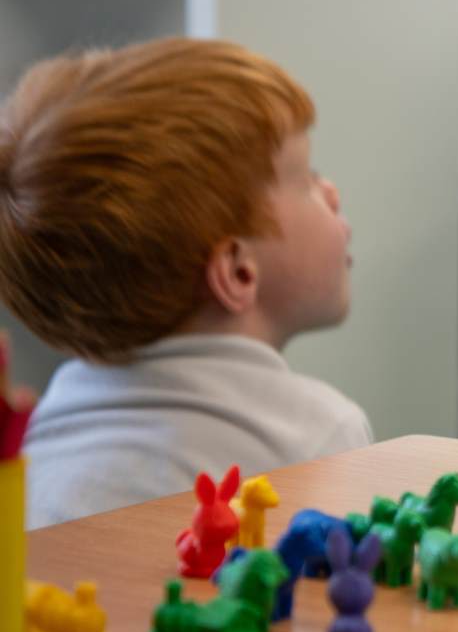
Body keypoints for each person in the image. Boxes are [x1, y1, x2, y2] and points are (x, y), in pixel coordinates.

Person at [0, 39, 372, 528]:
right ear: (238, 271)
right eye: (306, 179)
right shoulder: (317, 437)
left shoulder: (45, 433)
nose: (332, 192)